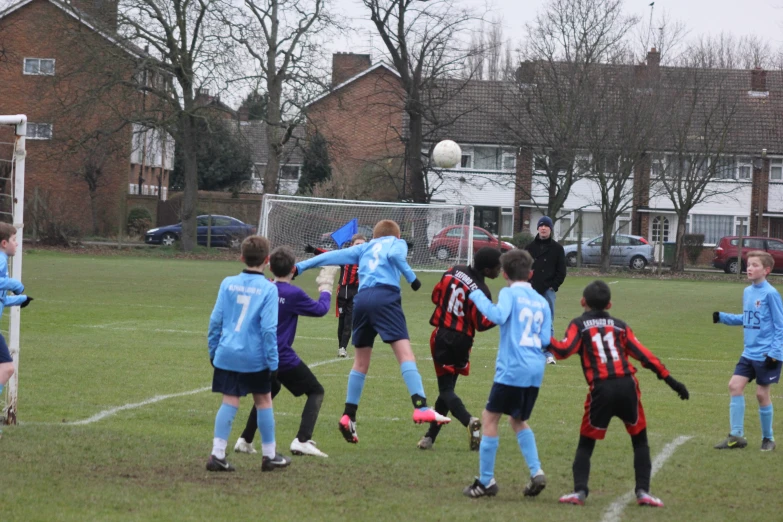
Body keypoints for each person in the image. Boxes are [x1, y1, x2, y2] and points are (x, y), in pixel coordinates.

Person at [295, 219, 450, 444]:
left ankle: (349, 415)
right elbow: (396, 257)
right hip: (385, 297)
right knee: (405, 355)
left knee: (360, 362)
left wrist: (300, 267)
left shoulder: (365, 247)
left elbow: (329, 257)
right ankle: (421, 405)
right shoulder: (398, 244)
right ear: (396, 237)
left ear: (375, 236)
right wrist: (411, 278)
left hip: (362, 299)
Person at [549, 280, 689, 507]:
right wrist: (672, 382)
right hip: (627, 386)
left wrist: (541, 340)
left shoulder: (579, 324)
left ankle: (579, 492)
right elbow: (645, 356)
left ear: (582, 302)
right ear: (610, 304)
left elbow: (563, 350)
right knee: (640, 441)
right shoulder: (620, 326)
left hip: (601, 389)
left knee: (586, 444)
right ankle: (643, 492)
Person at [462, 249, 550, 499]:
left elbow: (498, 316)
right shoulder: (542, 301)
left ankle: (486, 481)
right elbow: (545, 338)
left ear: (504, 274)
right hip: (535, 369)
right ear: (530, 273)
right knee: (517, 420)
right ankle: (536, 471)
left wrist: (476, 295)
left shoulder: (509, 293)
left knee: (489, 418)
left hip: (513, 367)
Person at [233, 246, 336, 458]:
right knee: (316, 391)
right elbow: (320, 309)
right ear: (293, 269)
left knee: (270, 389)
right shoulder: (293, 293)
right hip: (280, 355)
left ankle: (245, 439)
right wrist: (326, 286)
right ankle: (302, 440)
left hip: (257, 353)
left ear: (270, 266)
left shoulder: (264, 287)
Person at [206, 235, 290, 472]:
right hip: (254, 357)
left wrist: (214, 351)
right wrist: (274, 363)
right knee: (263, 401)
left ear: (241, 257)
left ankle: (217, 454)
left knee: (229, 401)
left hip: (227, 353)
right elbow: (268, 329)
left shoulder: (227, 283)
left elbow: (215, 321)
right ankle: (269, 455)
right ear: (267, 261)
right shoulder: (269, 289)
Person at [417, 247, 502, 452]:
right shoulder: (482, 290)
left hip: (443, 336)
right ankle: (430, 437)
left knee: (446, 390)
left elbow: (436, 296)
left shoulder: (451, 271)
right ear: (487, 269)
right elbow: (481, 324)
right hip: (463, 341)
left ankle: (468, 420)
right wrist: (499, 315)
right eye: (498, 267)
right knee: (447, 390)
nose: (500, 271)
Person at [712, 250, 783, 452]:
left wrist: (775, 353)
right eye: (748, 264)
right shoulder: (747, 292)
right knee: (735, 386)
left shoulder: (771, 294)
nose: (749, 268)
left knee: (762, 395)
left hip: (767, 354)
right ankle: (736, 436)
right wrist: (723, 317)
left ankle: (768, 439)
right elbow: (749, 319)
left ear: (766, 270)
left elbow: (780, 326)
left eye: (754, 265)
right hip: (749, 353)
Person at [305, 234, 367, 358]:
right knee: (342, 321)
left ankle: (343, 348)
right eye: (357, 244)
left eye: (362, 244)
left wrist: (402, 246)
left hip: (356, 294)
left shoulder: (368, 259)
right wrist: (314, 250)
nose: (360, 247)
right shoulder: (345, 257)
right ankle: (341, 346)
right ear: (352, 245)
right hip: (342, 293)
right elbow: (329, 256)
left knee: (349, 321)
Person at [0, 223, 32, 436]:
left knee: (7, 368)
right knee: (7, 368)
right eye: (14, 240)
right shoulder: (1, 259)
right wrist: (15, 284)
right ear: (4, 243)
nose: (17, 243)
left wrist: (19, 299)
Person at [525, 216, 566, 365]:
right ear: (537, 228)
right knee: (529, 320)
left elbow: (561, 271)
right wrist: (526, 284)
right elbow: (523, 268)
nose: (543, 228)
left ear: (550, 229)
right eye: (541, 226)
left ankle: (549, 353)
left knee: (548, 322)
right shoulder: (529, 248)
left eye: (546, 226)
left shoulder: (557, 249)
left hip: (548, 291)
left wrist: (553, 286)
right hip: (531, 290)